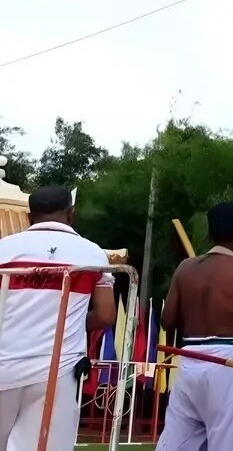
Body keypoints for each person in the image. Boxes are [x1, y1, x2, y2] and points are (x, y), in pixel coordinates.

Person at [0, 186, 117, 451]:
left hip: (3, 361)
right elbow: (106, 314)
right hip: (58, 369)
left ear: (30, 217)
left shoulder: (4, 249)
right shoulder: (92, 254)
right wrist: (68, 321)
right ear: (71, 214)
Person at [158, 200, 233, 451]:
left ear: (210, 231)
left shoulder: (186, 269)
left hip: (189, 361)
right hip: (227, 362)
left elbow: (167, 321)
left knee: (175, 444)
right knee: (225, 444)